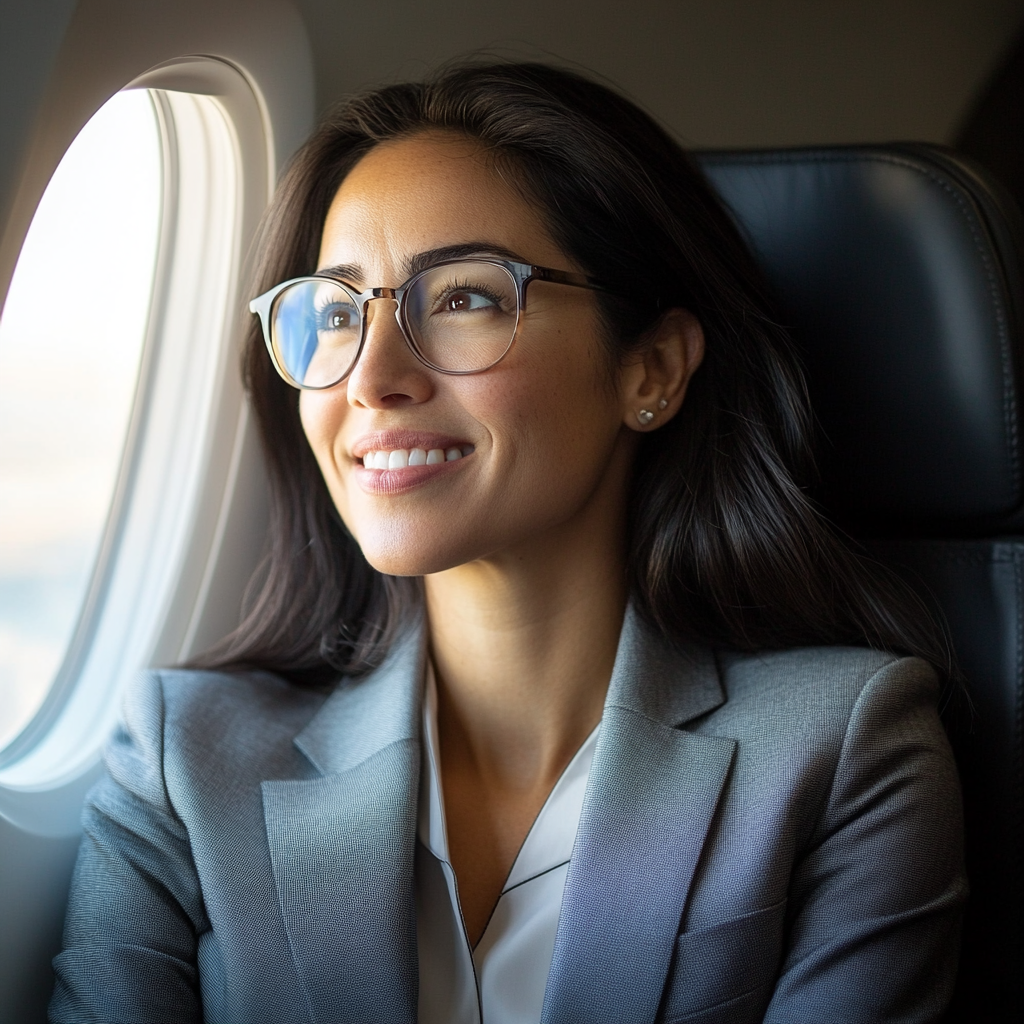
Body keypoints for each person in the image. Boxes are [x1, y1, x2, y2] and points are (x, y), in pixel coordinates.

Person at [50, 62, 965, 1024]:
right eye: (333, 311)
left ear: (648, 369)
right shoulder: (180, 765)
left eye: (463, 298)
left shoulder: (846, 752)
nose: (373, 378)